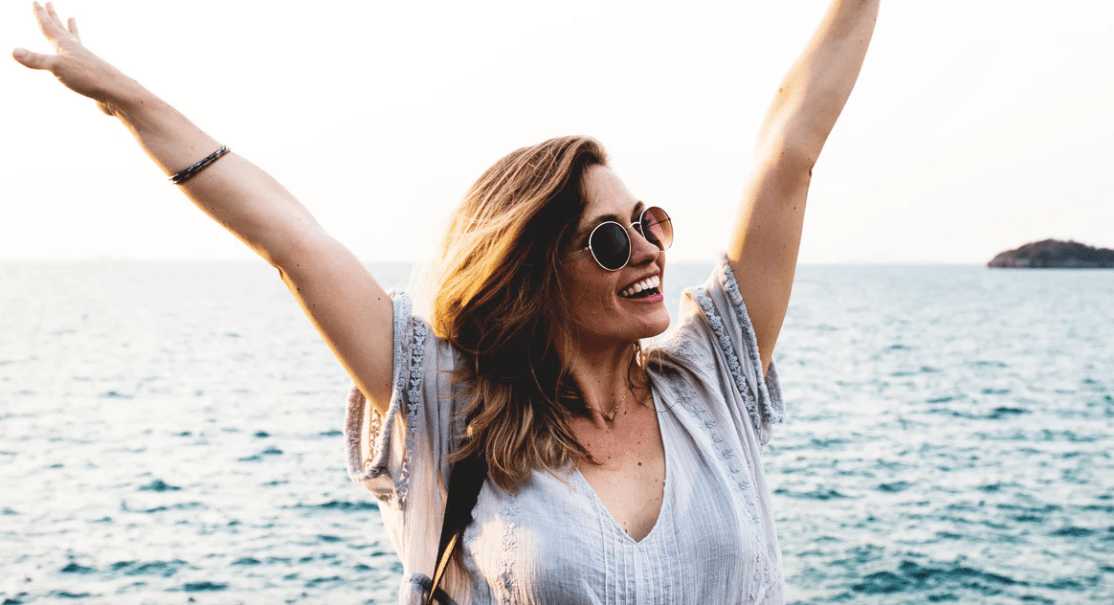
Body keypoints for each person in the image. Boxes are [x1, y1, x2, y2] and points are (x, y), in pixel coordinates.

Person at [13, 0, 878, 603]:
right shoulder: (449, 412)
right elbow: (295, 243)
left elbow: (786, 151)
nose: (648, 246)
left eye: (647, 219)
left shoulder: (709, 384)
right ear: (536, 271)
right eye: (610, 238)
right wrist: (123, 96)